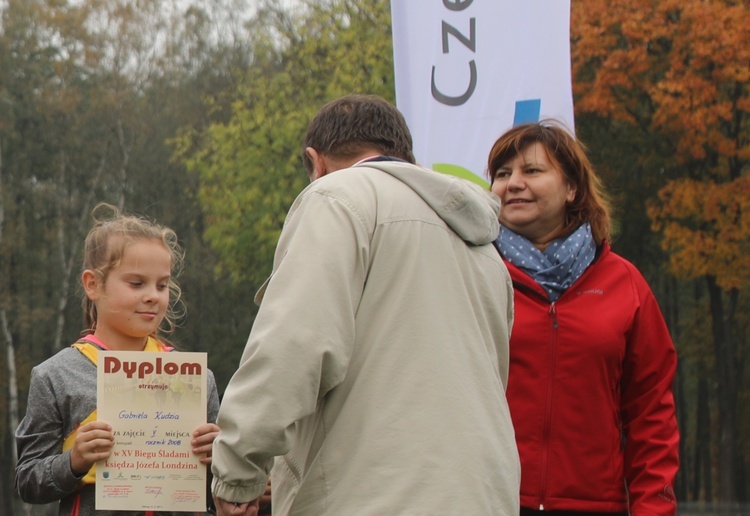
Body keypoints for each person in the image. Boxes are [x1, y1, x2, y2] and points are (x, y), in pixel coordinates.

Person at [210, 94, 520, 516]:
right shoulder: (483, 245)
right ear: (405, 156)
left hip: (374, 494)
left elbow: (295, 344)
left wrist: (238, 472)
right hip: (485, 492)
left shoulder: (337, 197)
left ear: (315, 162)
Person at [487, 121, 680, 515]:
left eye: (532, 171)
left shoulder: (624, 284)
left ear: (572, 188)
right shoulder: (475, 274)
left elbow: (651, 416)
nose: (513, 184)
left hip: (593, 505)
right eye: (502, 174)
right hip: (489, 502)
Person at [15, 203, 221, 516]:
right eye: (137, 283)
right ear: (93, 284)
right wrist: (73, 462)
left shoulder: (196, 379)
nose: (153, 295)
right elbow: (27, 481)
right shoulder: (54, 377)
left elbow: (215, 491)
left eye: (162, 285)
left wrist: (221, 457)